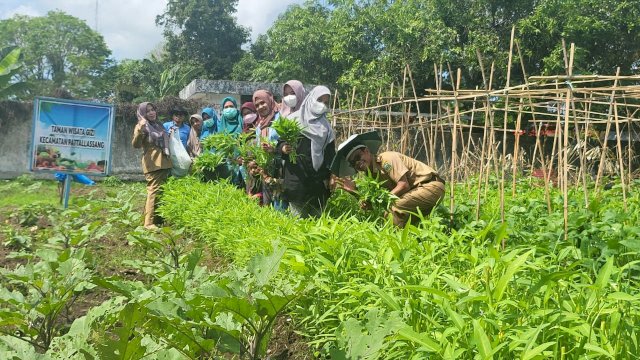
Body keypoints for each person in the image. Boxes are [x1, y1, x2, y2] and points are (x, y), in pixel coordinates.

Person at [339, 142, 445, 227]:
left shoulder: (386, 159)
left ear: (366, 151)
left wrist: (376, 200)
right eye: (353, 163)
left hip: (430, 186)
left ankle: (389, 245)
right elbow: (372, 204)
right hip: (416, 193)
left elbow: (403, 185)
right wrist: (355, 192)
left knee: (394, 209)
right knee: (402, 223)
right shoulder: (370, 175)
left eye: (358, 156)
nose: (357, 163)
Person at [279, 86, 336, 218]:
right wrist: (283, 148)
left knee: (317, 222)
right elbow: (280, 143)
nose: (322, 105)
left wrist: (332, 175)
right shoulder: (293, 120)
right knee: (297, 224)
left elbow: (330, 155)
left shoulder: (326, 128)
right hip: (297, 180)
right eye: (319, 100)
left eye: (326, 102)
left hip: (318, 183)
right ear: (311, 99)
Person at [131, 102, 172, 230]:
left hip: (164, 161)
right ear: (143, 113)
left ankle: (157, 219)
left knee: (161, 191)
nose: (152, 112)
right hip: (152, 163)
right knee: (153, 191)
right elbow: (136, 145)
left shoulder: (158, 125)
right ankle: (148, 223)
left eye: (153, 109)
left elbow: (162, 140)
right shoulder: (141, 126)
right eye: (148, 111)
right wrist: (140, 131)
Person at [252, 89, 286, 210]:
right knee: (267, 206)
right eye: (257, 105)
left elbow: (287, 143)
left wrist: (275, 149)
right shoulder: (260, 124)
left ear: (270, 100)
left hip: (280, 168)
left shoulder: (280, 118)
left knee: (279, 205)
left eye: (263, 102)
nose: (260, 107)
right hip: (266, 170)